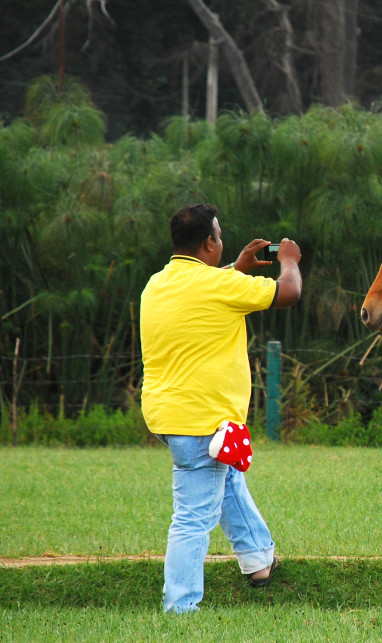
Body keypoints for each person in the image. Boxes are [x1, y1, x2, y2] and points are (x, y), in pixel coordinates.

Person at [140, 203, 302, 613]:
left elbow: (207, 289)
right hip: (203, 422)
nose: (222, 241)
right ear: (210, 242)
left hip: (167, 415)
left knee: (226, 479)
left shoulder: (157, 284)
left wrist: (238, 267)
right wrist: (288, 260)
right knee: (193, 517)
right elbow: (289, 292)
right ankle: (180, 608)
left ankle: (259, 561)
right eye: (220, 235)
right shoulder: (218, 286)